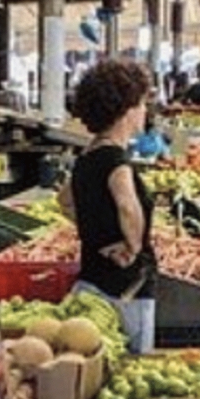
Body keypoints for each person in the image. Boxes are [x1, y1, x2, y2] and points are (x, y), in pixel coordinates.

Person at [60, 59, 157, 352]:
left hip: (91, 278)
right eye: (142, 104)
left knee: (93, 354)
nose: (145, 111)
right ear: (126, 110)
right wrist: (133, 247)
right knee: (131, 363)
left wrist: (94, 232)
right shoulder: (117, 160)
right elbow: (127, 206)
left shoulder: (88, 155)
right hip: (127, 286)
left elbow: (64, 200)